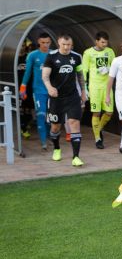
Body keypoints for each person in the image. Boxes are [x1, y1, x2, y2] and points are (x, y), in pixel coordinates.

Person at [42, 35, 87, 167]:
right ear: (59, 44)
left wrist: (84, 92)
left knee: (74, 123)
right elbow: (45, 76)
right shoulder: (51, 56)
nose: (66, 47)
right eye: (63, 45)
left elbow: (80, 75)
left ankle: (76, 157)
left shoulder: (76, 57)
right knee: (56, 126)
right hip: (56, 98)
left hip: (72, 96)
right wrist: (50, 87)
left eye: (69, 45)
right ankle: (56, 148)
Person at [82, 31, 116, 149]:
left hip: (107, 87)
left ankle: (98, 128)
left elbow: (115, 67)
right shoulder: (88, 53)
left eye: (106, 42)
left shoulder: (110, 52)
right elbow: (84, 71)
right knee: (96, 113)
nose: (105, 44)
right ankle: (98, 138)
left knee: (109, 112)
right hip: (94, 87)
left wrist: (108, 68)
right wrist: (84, 87)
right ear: (96, 41)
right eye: (102, 42)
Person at [19, 33, 51, 150]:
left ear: (50, 42)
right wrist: (23, 87)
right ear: (38, 42)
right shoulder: (33, 55)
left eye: (47, 42)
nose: (45, 45)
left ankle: (48, 137)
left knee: (50, 116)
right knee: (41, 115)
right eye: (43, 42)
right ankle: (43, 142)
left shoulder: (53, 54)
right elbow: (27, 72)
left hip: (52, 91)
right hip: (38, 90)